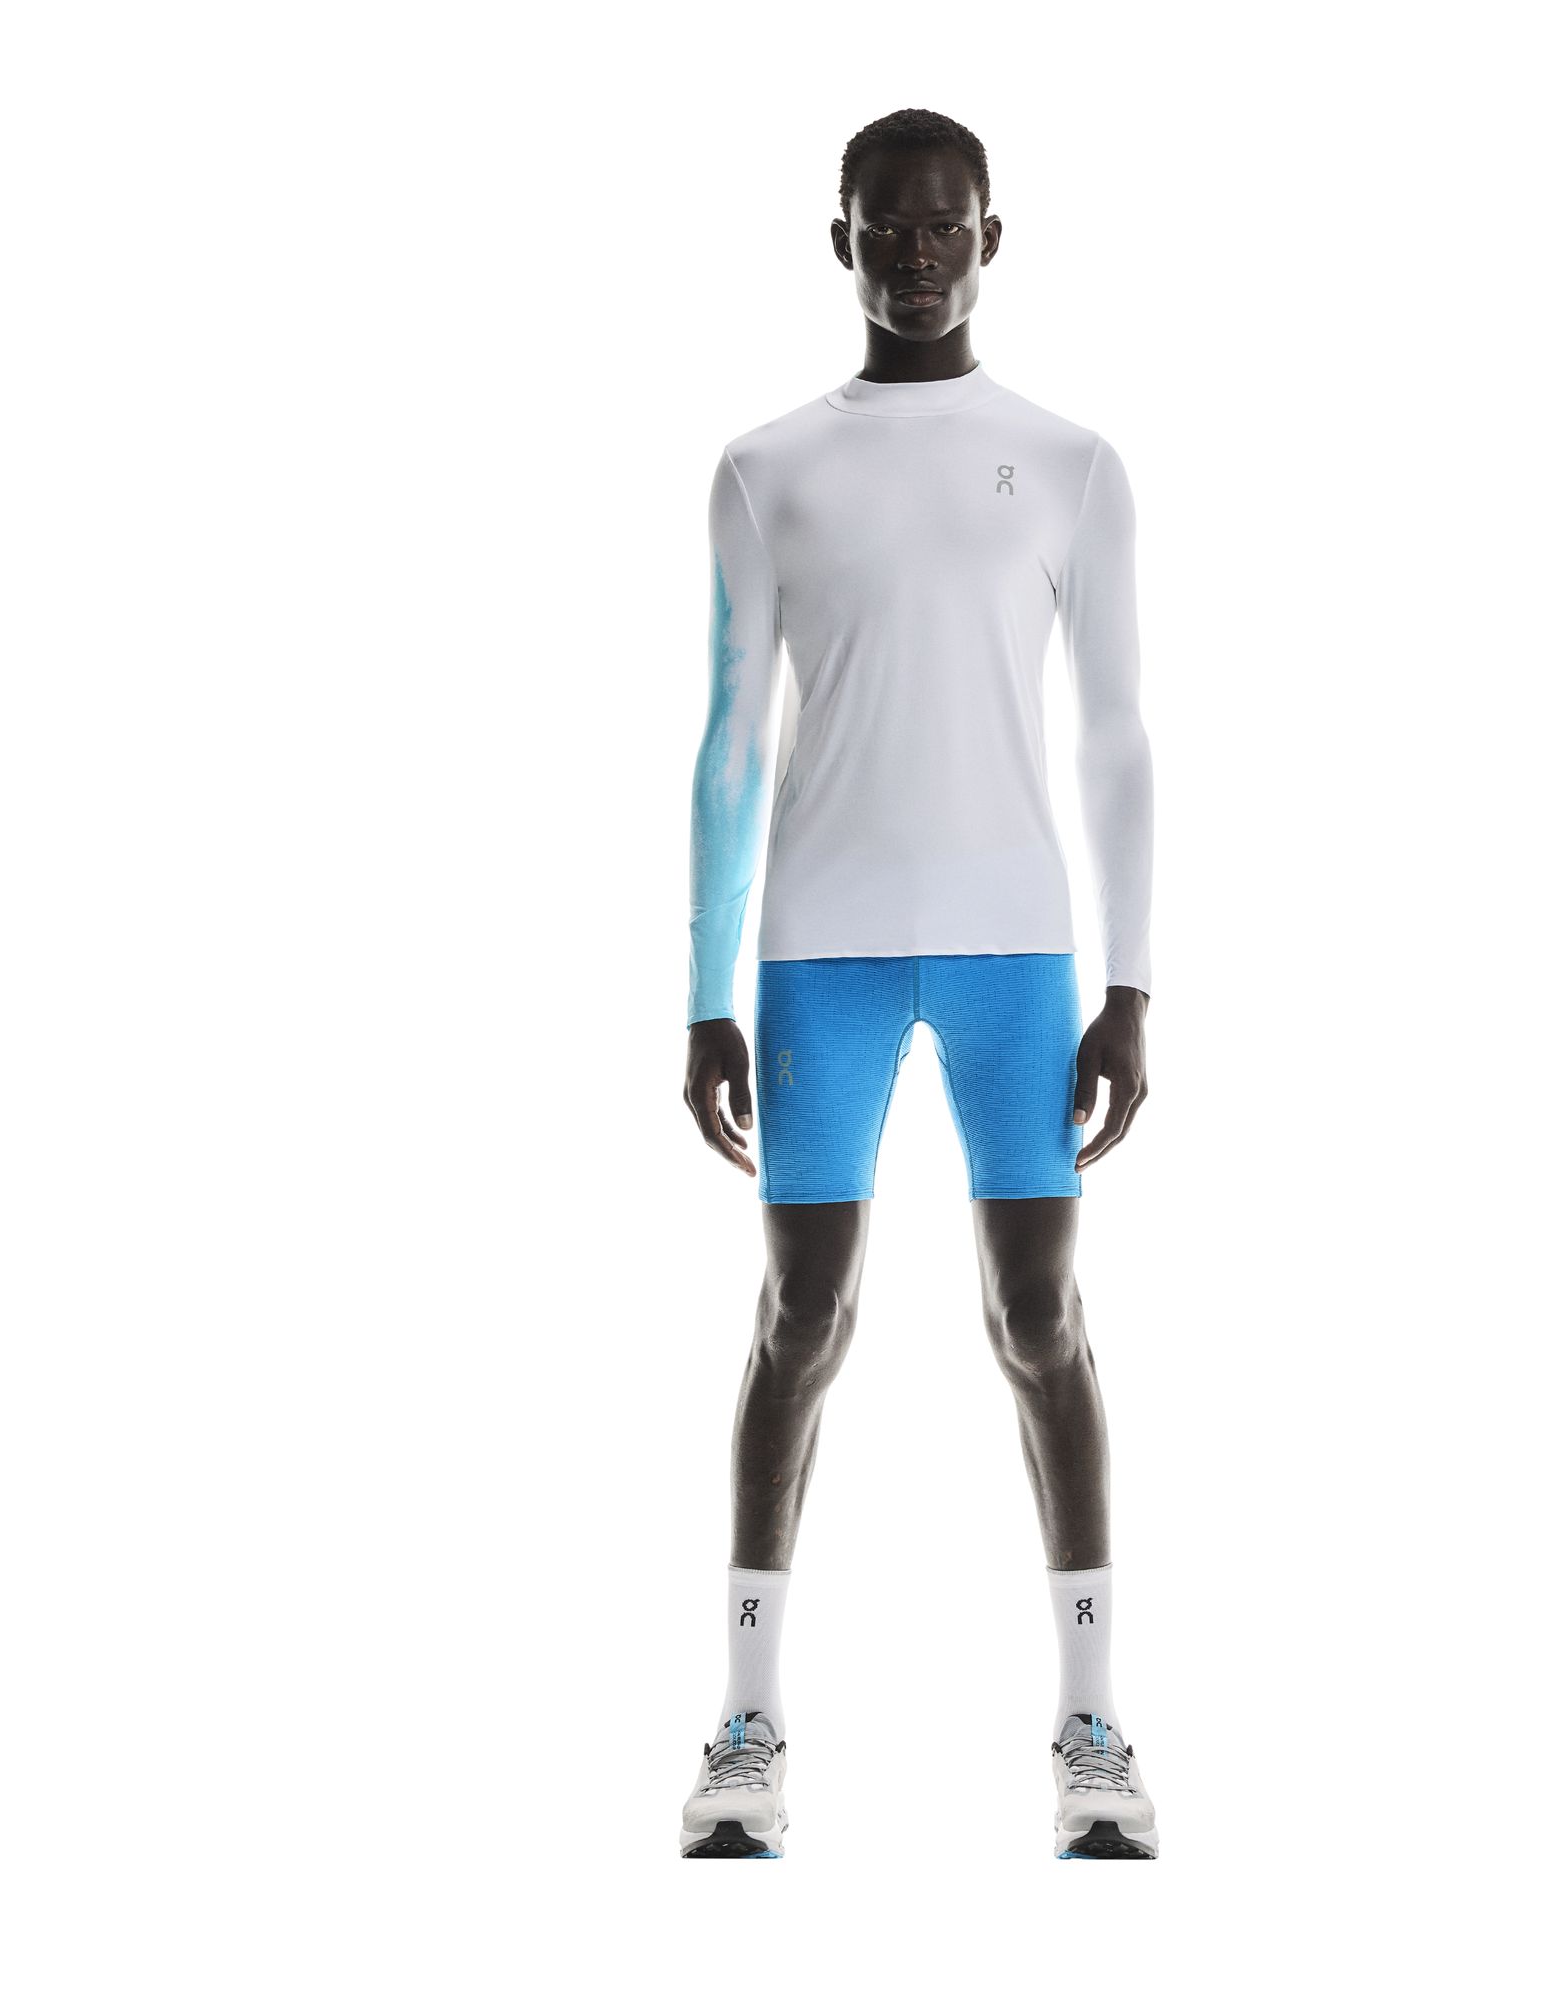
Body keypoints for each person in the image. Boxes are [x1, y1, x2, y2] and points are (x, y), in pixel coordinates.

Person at [678, 107, 1158, 1861]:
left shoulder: (1071, 463)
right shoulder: (766, 469)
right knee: (800, 1324)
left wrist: (1134, 985)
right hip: (820, 949)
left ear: (990, 238)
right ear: (843, 243)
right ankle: (746, 1731)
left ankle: (1093, 1731)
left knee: (1040, 1323)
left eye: (945, 225)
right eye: (885, 227)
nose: (916, 254)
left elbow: (1116, 737)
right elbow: (732, 739)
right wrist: (704, 992)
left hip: (1018, 949)